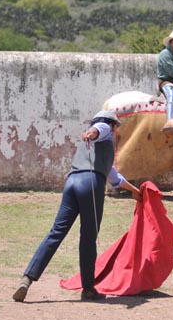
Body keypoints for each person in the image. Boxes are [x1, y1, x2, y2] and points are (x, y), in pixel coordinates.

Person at [12, 110, 142, 302]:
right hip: (90, 185)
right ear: (113, 125)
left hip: (71, 183)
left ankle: (27, 278)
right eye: (116, 128)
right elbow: (99, 128)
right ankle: (88, 289)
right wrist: (92, 132)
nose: (115, 132)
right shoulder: (104, 128)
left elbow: (114, 177)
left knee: (56, 232)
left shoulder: (95, 151)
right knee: (88, 238)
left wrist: (135, 191)